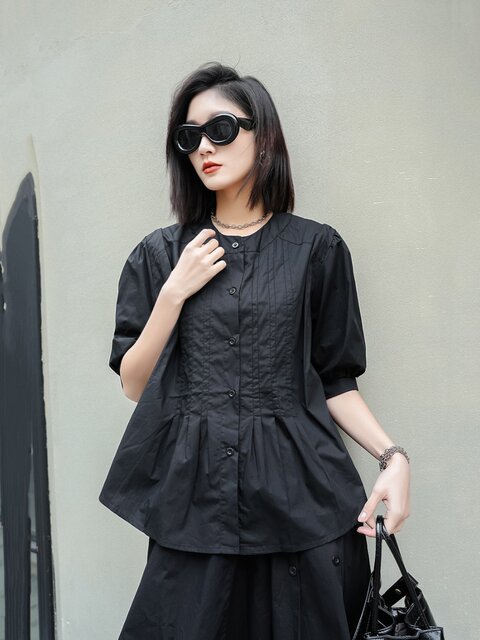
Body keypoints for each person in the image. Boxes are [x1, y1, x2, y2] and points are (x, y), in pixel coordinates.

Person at [99, 61, 411, 639]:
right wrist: (173, 293)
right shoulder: (160, 255)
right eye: (189, 137)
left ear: (262, 135)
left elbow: (336, 380)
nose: (204, 148)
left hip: (304, 502)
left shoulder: (316, 249)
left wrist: (393, 458)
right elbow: (135, 385)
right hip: (196, 507)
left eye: (220, 130)